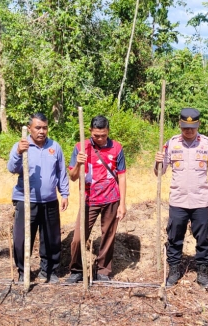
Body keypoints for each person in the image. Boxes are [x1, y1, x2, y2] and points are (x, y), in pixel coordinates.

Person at [154, 108, 208, 289]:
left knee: (203, 238)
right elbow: (159, 172)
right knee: (174, 237)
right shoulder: (171, 144)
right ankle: (174, 270)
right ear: (180, 124)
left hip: (200, 201)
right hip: (178, 200)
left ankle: (202, 273)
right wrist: (158, 161)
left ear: (198, 124)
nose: (188, 131)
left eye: (192, 127)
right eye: (185, 128)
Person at [7, 113, 69, 284]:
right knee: (21, 238)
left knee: (51, 238)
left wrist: (64, 193)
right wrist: (19, 152)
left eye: (45, 128)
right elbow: (12, 168)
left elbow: (61, 172)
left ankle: (49, 270)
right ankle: (22, 271)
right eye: (38, 128)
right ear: (30, 129)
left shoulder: (54, 147)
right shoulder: (22, 145)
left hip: (49, 201)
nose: (42, 131)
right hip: (26, 200)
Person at [65, 115, 127, 283]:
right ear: (90, 131)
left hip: (111, 198)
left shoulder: (117, 148)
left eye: (103, 135)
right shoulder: (80, 147)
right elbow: (72, 176)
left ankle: (103, 271)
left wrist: (122, 203)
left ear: (108, 132)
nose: (100, 139)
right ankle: (76, 270)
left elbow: (121, 176)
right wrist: (78, 163)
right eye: (96, 135)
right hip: (89, 199)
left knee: (108, 235)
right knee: (78, 238)